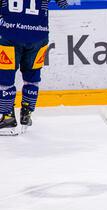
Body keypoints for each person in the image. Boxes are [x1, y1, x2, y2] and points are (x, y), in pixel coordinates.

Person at [0, 0, 68, 136]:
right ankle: (26, 113)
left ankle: (7, 117)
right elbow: (64, 4)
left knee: (5, 78)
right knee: (32, 77)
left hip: (10, 33)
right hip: (38, 34)